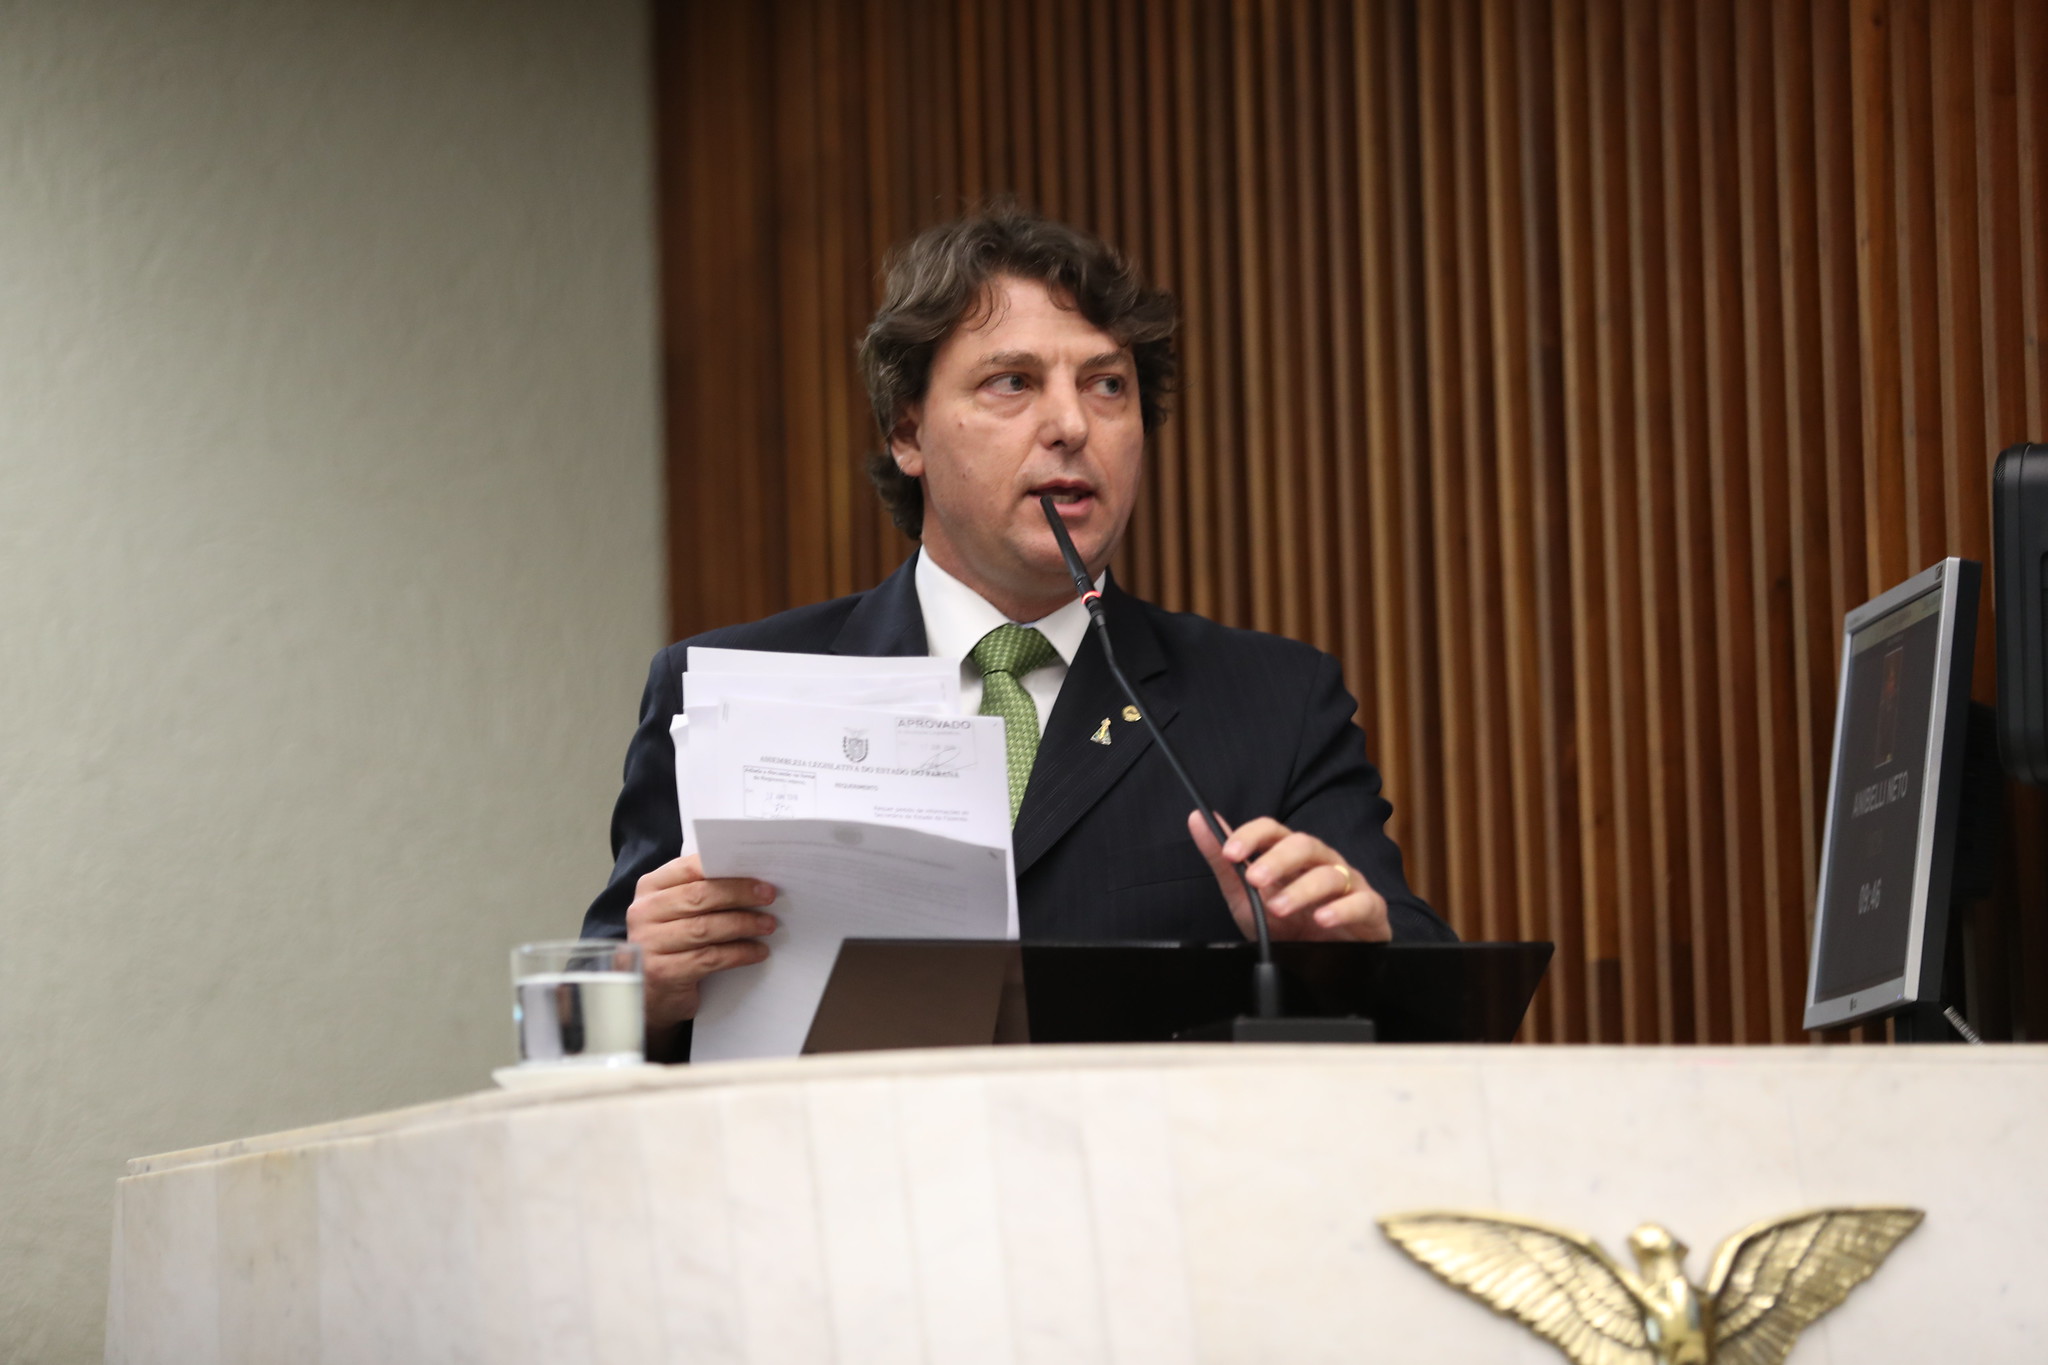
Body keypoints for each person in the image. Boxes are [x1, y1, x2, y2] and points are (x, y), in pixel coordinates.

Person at [584, 207, 1454, 1059]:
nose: (1072, 424)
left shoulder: (1274, 703)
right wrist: (642, 990)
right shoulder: (731, 687)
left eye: (1107, 385)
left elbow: (1439, 1008)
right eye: (1014, 382)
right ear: (908, 431)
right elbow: (584, 1029)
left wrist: (1350, 954)